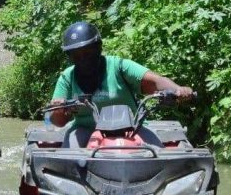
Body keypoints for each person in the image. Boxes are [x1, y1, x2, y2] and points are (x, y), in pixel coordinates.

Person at [48, 21, 193, 147]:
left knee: (158, 154)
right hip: (84, 129)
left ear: (98, 48)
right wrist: (59, 109)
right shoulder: (67, 77)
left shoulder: (119, 67)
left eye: (87, 53)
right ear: (70, 57)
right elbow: (58, 122)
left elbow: (156, 81)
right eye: (76, 55)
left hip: (131, 128)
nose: (83, 59)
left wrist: (178, 90)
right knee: (69, 160)